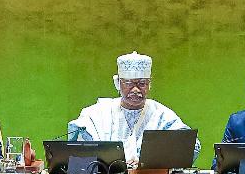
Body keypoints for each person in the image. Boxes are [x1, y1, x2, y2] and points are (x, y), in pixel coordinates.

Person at [68, 51, 199, 167]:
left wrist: (148, 163)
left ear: (149, 84)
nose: (136, 90)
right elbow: (78, 153)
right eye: (129, 83)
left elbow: (191, 146)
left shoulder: (161, 115)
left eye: (142, 84)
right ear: (117, 83)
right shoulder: (97, 114)